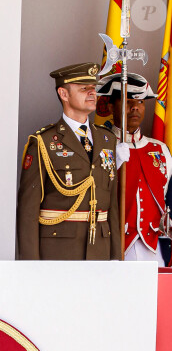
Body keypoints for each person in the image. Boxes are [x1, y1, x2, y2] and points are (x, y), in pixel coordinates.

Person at [17, 61, 121, 260]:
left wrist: (116, 259)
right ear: (63, 94)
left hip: (100, 251)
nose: (92, 93)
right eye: (84, 89)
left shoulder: (108, 140)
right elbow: (28, 212)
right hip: (59, 253)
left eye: (93, 88)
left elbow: (112, 206)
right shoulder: (43, 142)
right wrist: (30, 267)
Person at [96, 73, 172, 266]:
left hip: (155, 247)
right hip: (115, 247)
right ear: (112, 106)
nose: (135, 107)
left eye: (140, 102)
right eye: (128, 101)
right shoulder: (101, 147)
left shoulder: (160, 150)